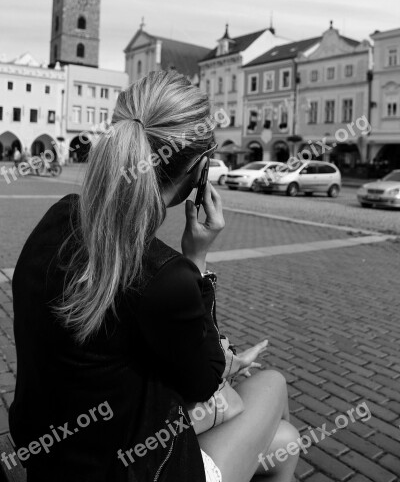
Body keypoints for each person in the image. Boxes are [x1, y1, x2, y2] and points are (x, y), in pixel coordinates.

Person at [10, 70, 298, 482]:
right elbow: (204, 381)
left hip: (52, 458)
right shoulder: (165, 275)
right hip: (137, 469)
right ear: (200, 168)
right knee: (273, 383)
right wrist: (197, 258)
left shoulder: (59, 217)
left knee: (285, 443)